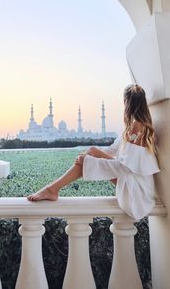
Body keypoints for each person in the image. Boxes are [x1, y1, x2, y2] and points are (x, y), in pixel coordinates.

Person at [27, 84, 160, 220]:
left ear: (126, 102)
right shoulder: (135, 127)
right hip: (133, 184)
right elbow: (112, 150)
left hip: (137, 195)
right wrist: (89, 156)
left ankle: (52, 189)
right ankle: (53, 189)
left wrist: (90, 161)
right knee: (91, 152)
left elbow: (124, 167)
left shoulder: (137, 128)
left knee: (90, 156)